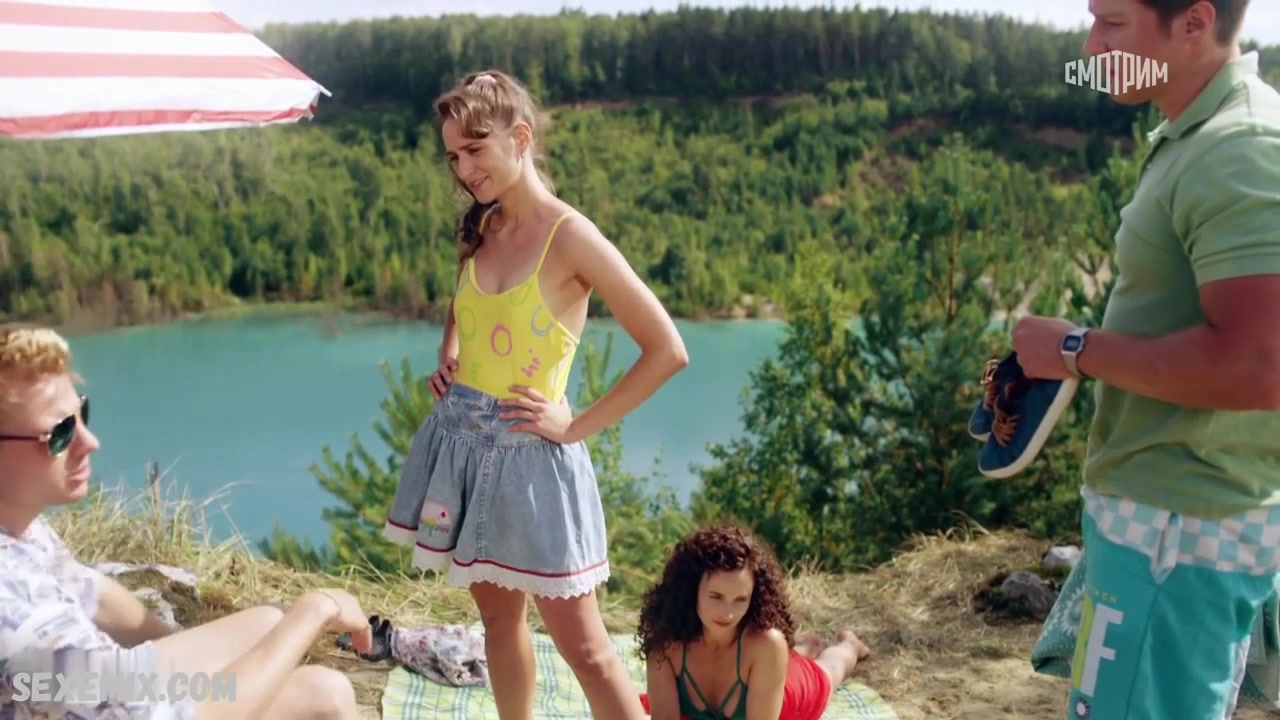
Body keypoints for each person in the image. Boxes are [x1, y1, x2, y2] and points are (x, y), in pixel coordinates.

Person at [381, 69, 689, 720]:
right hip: (463, 447)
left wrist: (574, 426)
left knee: (587, 651)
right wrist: (450, 355)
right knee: (498, 622)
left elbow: (667, 350)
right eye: (453, 157)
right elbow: (463, 307)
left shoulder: (570, 236)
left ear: (520, 138)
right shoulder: (479, 226)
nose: (464, 170)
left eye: (475, 150)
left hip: (532, 462)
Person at [1011, 1, 1280, 718]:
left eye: (1114, 22)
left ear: (1194, 22)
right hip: (1163, 527)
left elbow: (1258, 366)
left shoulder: (1240, 144)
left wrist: (1074, 350)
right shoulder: (1201, 134)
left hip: (1178, 533)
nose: (1090, 45)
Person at [0, 324, 375, 720]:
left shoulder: (19, 530)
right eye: (60, 433)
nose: (90, 443)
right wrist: (314, 610)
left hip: (80, 684)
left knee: (269, 624)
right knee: (325, 695)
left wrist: (188, 653)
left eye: (82, 414)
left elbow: (87, 589)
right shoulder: (18, 613)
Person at [636, 524, 870, 720]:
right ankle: (803, 648)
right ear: (690, 590)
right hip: (759, 667)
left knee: (829, 670)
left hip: (785, 697)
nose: (727, 614)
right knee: (784, 659)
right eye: (715, 597)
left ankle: (849, 645)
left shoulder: (766, 643)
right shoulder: (666, 643)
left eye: (740, 600)